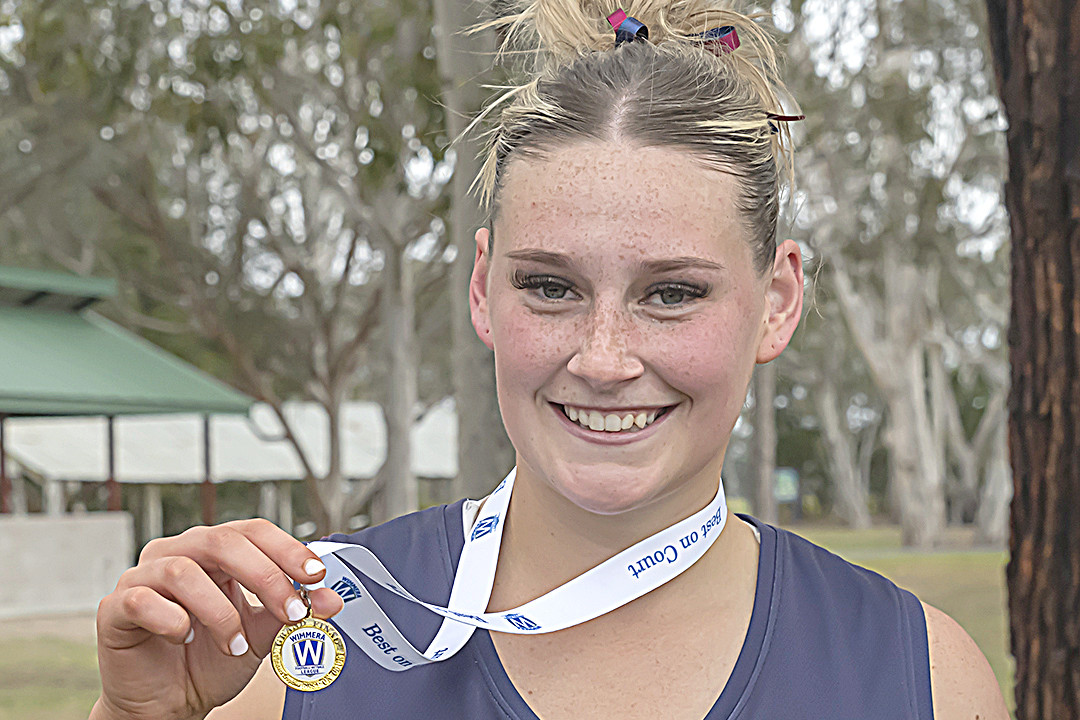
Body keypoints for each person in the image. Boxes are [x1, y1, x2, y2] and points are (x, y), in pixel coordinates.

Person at [90, 1, 1010, 718]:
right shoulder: (297, 649)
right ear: (484, 286)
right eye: (552, 287)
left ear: (777, 302)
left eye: (673, 293)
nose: (604, 359)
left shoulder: (919, 676)